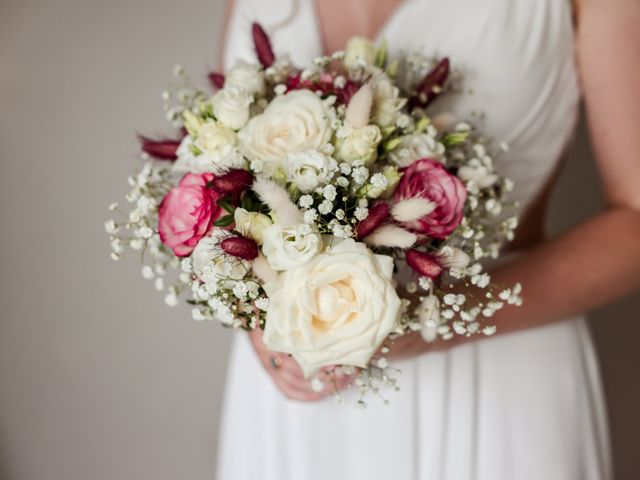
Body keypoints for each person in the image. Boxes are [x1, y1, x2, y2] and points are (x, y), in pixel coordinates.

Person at [217, 0, 640, 478]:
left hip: (498, 374)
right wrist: (255, 309)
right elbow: (221, 178)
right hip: (296, 389)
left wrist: (426, 326)